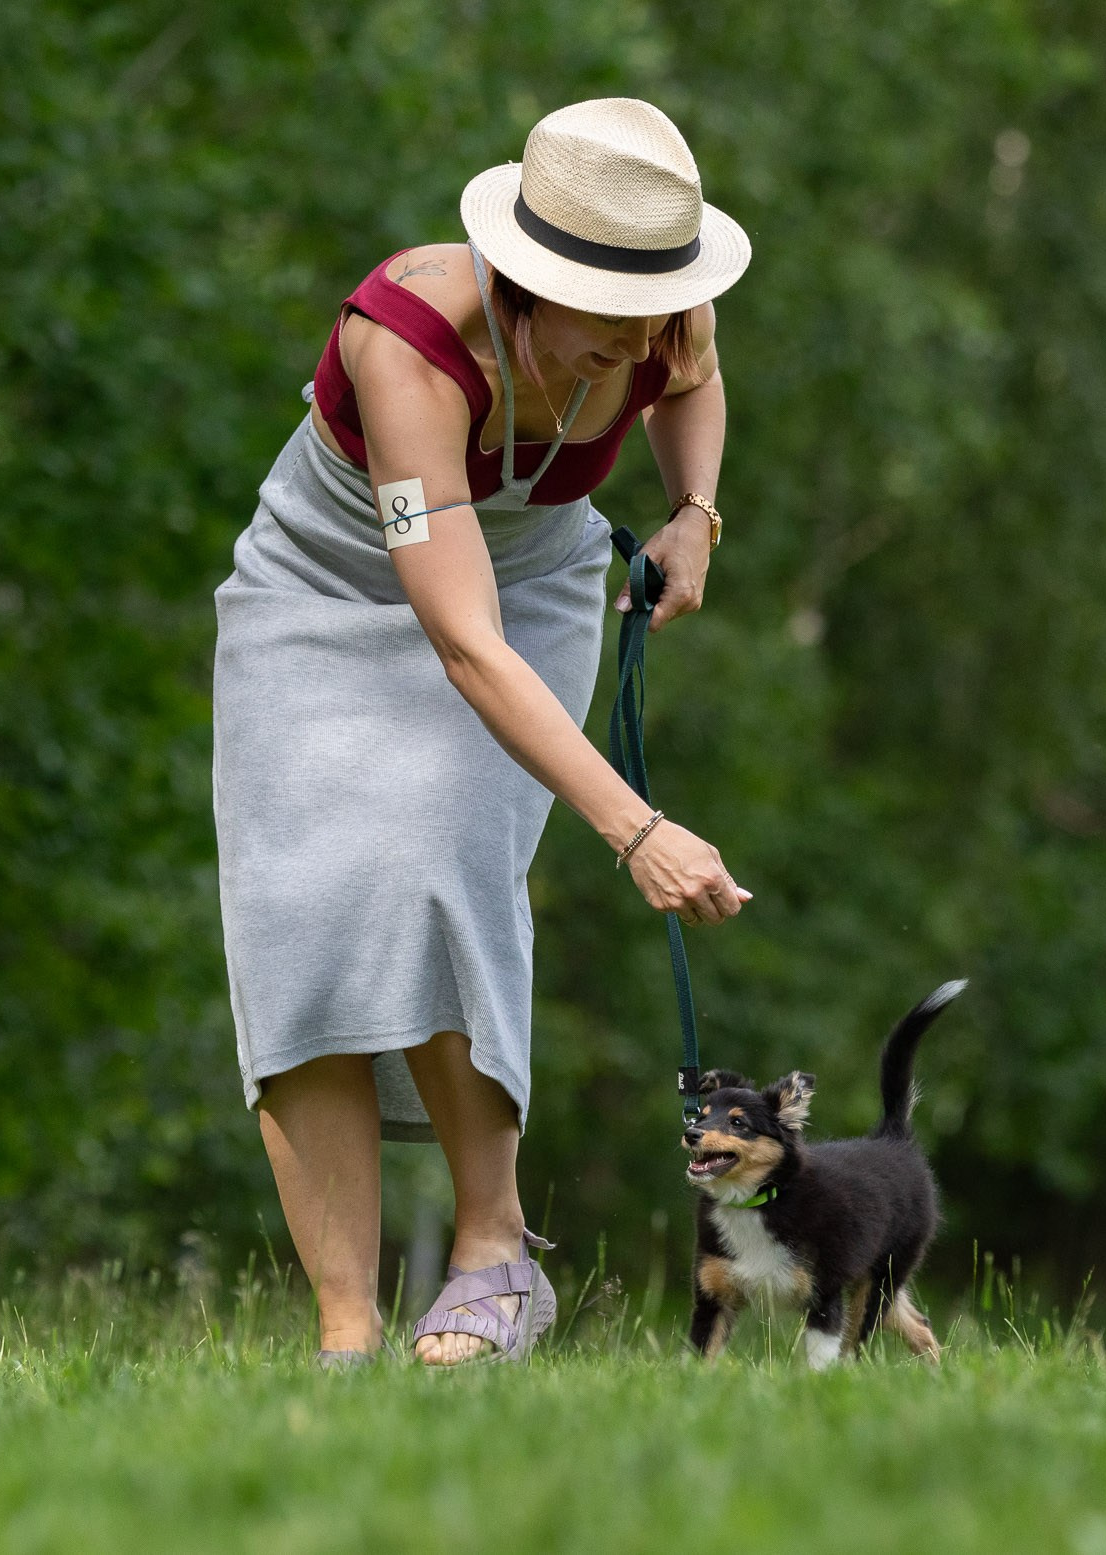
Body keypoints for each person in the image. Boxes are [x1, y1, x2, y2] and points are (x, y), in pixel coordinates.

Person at [212, 98, 753, 1366]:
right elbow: (458, 644)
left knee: (439, 856)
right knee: (301, 913)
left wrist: (694, 511)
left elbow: (694, 376)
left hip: (534, 582)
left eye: (649, 322)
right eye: (600, 329)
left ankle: (494, 1254)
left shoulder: (662, 307)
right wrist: (636, 829)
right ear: (520, 280)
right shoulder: (404, 339)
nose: (634, 348)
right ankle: (346, 1340)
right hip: (321, 587)